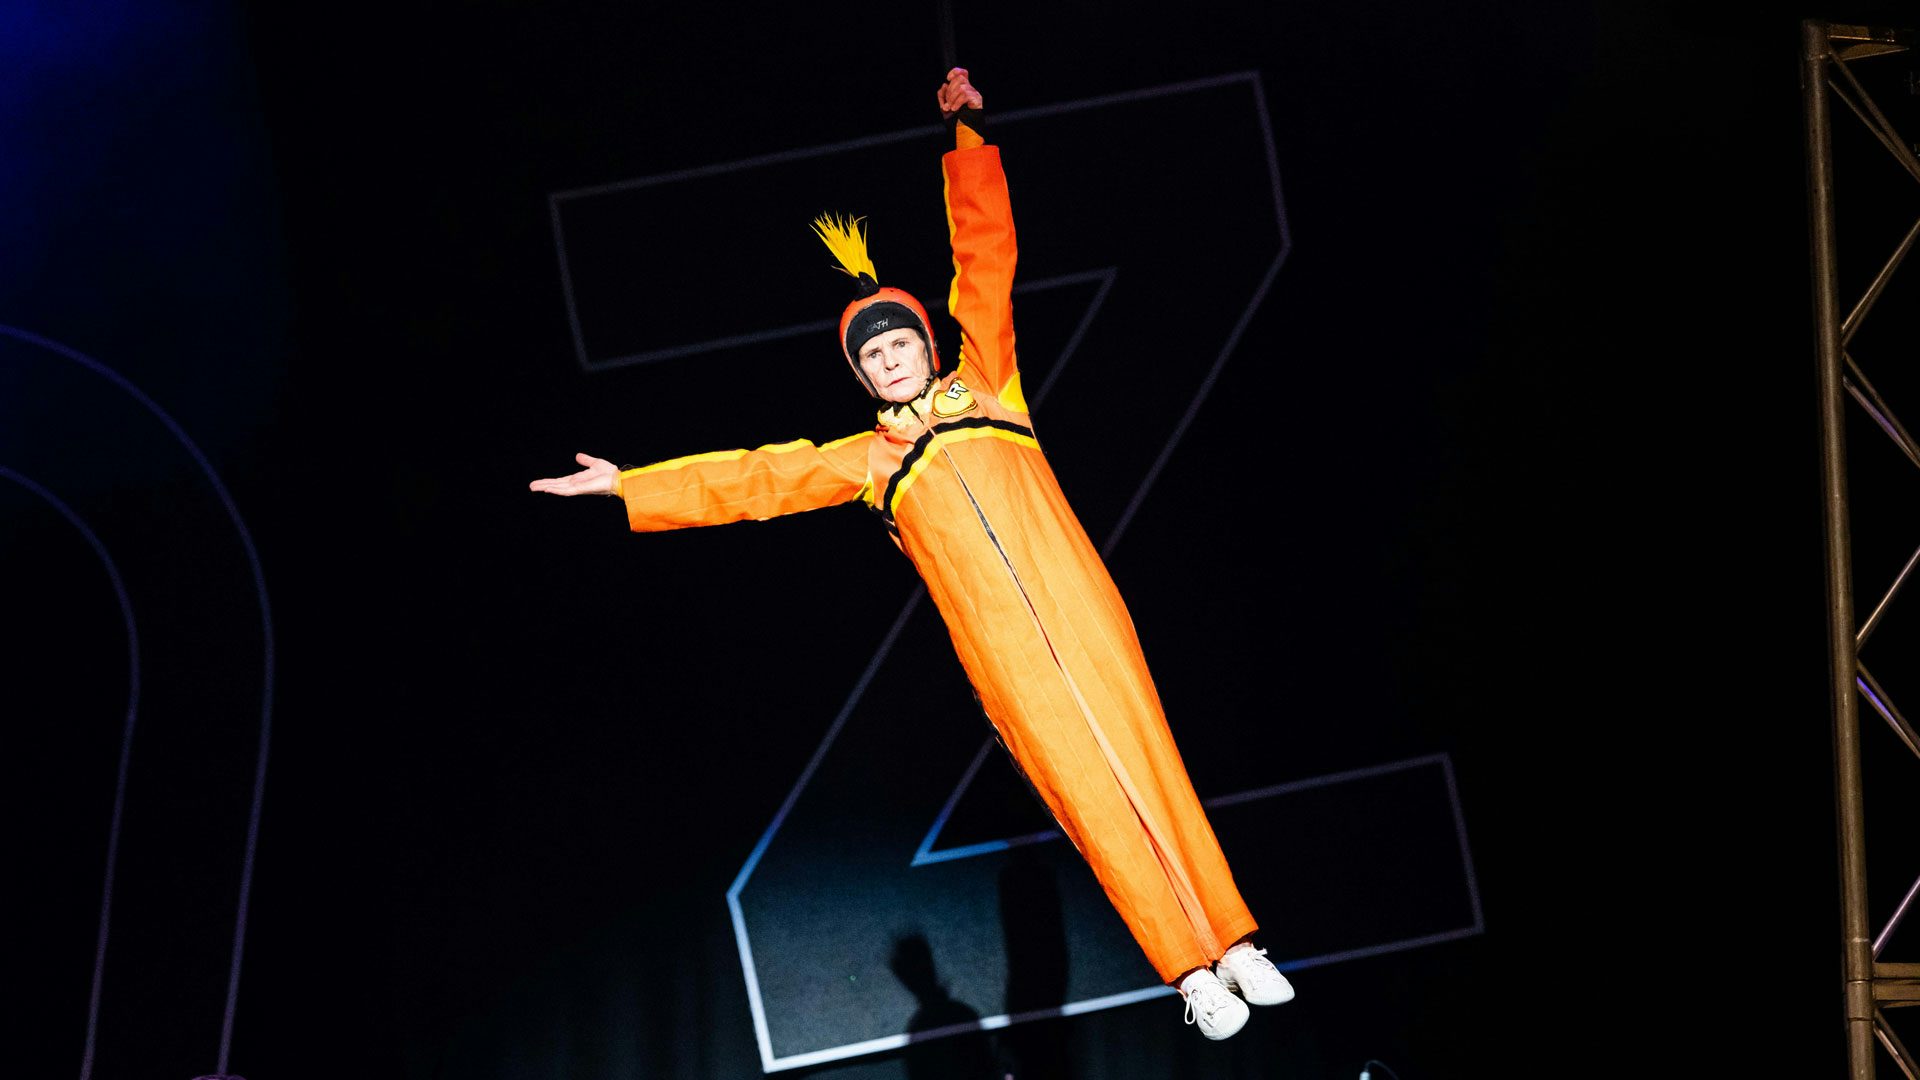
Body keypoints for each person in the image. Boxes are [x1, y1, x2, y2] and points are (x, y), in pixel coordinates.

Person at [529, 67, 1293, 1041]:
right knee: (1086, 795)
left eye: (900, 345)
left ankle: (1235, 940)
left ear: (927, 347)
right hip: (1005, 652)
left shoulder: (991, 389)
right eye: (873, 356)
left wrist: (968, 137)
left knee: (1152, 759)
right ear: (861, 377)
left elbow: (986, 261)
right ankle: (1188, 969)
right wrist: (630, 485)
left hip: (1082, 607)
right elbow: (754, 480)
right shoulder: (868, 461)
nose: (890, 359)